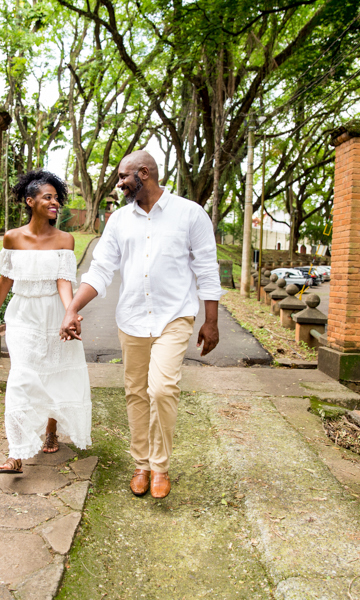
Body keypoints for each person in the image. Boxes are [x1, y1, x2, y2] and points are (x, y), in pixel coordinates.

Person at [59, 150, 221, 499]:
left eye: (122, 177)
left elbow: (207, 268)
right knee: (135, 393)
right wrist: (72, 307)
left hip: (174, 315)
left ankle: (160, 467)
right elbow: (101, 270)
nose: (119, 184)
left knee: (162, 389)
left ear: (143, 174)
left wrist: (211, 321)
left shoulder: (189, 214)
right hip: (132, 317)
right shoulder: (119, 220)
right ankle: (141, 464)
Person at [0, 170, 91, 474]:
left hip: (54, 314)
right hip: (22, 316)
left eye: (57, 198)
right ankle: (16, 452)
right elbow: (6, 280)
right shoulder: (12, 238)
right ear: (30, 201)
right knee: (21, 377)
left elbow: (63, 282)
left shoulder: (65, 240)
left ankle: (51, 430)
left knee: (53, 374)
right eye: (48, 197)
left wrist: (70, 313)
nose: (55, 202)